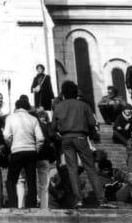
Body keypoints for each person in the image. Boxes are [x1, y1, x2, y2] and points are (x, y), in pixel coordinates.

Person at [50, 80, 113, 209]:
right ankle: (102, 199)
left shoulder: (58, 107)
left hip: (66, 139)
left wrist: (60, 135)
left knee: (72, 170)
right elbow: (92, 123)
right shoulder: (83, 105)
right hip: (80, 136)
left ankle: (78, 200)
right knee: (90, 168)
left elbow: (52, 128)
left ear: (63, 94)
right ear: (75, 93)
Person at [3, 95, 43, 208]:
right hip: (31, 151)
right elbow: (40, 138)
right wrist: (36, 149)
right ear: (28, 107)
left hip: (17, 150)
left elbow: (6, 135)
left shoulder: (10, 118)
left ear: (16, 107)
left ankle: (13, 204)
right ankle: (32, 204)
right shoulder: (33, 119)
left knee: (11, 180)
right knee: (31, 180)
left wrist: (11, 146)